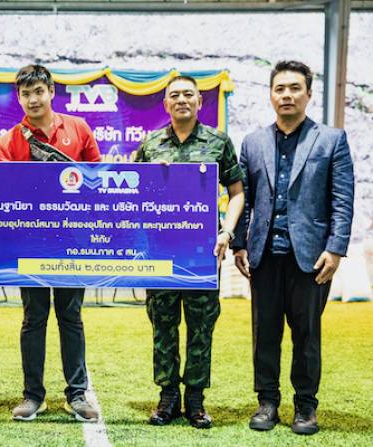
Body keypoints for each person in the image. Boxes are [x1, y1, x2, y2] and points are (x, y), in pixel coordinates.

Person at [232, 61, 354, 436]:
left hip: (312, 257)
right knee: (264, 334)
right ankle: (267, 402)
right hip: (264, 256)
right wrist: (239, 243)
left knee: (307, 335)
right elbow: (243, 199)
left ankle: (305, 405)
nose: (287, 95)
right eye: (280, 88)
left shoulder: (331, 140)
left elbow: (342, 200)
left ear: (309, 94)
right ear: (271, 95)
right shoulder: (253, 143)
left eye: (294, 88)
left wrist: (335, 248)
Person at [134, 75, 245, 429]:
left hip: (202, 252)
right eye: (174, 95)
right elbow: (132, 191)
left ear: (200, 101)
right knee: (163, 324)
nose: (182, 100)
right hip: (160, 252)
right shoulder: (150, 144)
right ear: (165, 104)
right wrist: (152, 178)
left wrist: (227, 231)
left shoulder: (218, 141)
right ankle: (167, 396)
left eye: (188, 95)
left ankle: (195, 399)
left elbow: (237, 192)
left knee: (201, 326)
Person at [0, 64, 101, 423]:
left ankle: (77, 394)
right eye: (26, 94)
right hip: (30, 245)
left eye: (39, 91)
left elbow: (97, 182)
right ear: (19, 97)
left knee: (71, 317)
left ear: (51, 92)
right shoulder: (9, 141)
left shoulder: (78, 129)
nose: (33, 99)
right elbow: (3, 195)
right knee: (33, 317)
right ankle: (32, 396)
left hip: (73, 242)